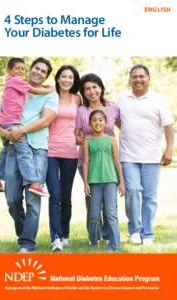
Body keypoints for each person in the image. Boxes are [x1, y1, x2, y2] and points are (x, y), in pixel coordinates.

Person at [0, 57, 59, 252]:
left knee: (32, 197)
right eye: (36, 68)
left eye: (43, 71)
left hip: (37, 148)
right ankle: (23, 233)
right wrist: (8, 134)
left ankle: (27, 243)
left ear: (46, 76)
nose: (38, 72)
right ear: (30, 69)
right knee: (12, 198)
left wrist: (21, 130)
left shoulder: (50, 94)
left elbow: (46, 120)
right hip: (14, 146)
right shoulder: (14, 88)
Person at [117, 64, 174, 246]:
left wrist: (169, 149)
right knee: (132, 191)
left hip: (152, 156)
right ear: (130, 79)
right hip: (128, 156)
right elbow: (117, 121)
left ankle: (148, 233)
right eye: (134, 76)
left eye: (142, 76)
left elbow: (168, 127)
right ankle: (135, 230)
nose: (138, 79)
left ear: (148, 79)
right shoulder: (122, 99)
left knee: (150, 196)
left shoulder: (159, 99)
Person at [0, 57, 54, 196]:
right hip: (12, 123)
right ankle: (33, 182)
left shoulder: (10, 83)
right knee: (24, 152)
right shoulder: (16, 81)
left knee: (6, 150)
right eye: (17, 68)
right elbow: (35, 91)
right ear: (9, 70)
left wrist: (5, 133)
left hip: (5, 122)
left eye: (22, 69)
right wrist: (49, 89)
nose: (20, 71)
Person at [75, 73, 120, 242]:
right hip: (87, 161)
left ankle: (108, 235)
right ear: (83, 92)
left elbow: (123, 129)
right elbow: (76, 137)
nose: (91, 91)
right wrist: (84, 140)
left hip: (109, 162)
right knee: (92, 201)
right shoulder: (81, 111)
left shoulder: (113, 107)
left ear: (101, 87)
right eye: (87, 88)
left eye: (94, 87)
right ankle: (94, 236)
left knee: (109, 201)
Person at [46, 65, 81, 252]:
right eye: (63, 76)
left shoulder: (78, 99)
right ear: (58, 78)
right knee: (55, 195)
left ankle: (65, 234)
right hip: (50, 151)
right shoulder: (50, 96)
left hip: (70, 152)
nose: (67, 80)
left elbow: (86, 117)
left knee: (66, 197)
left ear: (74, 81)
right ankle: (56, 237)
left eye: (70, 77)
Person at [83, 110, 125, 251]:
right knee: (94, 214)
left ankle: (115, 244)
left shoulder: (112, 140)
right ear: (90, 123)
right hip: (94, 181)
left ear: (105, 122)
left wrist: (121, 182)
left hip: (110, 181)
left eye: (100, 120)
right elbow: (86, 163)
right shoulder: (87, 141)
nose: (97, 122)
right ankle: (94, 240)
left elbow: (117, 161)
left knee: (110, 213)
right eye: (94, 120)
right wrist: (85, 182)